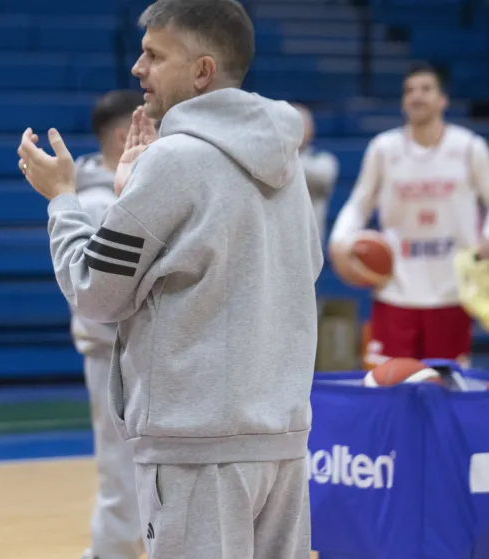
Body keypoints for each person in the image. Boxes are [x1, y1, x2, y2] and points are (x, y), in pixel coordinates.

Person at [17, 0, 322, 557]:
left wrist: (62, 200)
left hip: (197, 447)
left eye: (154, 55)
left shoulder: (174, 161)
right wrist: (131, 197)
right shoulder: (287, 161)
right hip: (283, 440)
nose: (137, 67)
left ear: (202, 70)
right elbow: (308, 268)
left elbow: (94, 291)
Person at [328, 63, 489, 369]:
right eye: (409, 91)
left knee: (445, 391)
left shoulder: (469, 148)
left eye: (426, 89)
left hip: (452, 292)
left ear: (442, 99)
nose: (417, 96)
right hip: (395, 290)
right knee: (388, 389)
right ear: (403, 102)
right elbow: (359, 204)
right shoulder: (384, 148)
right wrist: (340, 241)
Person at [71, 89, 145, 559]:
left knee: (135, 470)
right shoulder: (100, 202)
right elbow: (108, 294)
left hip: (126, 354)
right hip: (114, 353)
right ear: (124, 135)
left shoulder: (102, 190)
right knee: (121, 473)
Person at [292, 102, 339, 243]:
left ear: (311, 129)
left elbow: (320, 178)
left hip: (309, 245)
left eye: (299, 124)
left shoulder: (323, 161)